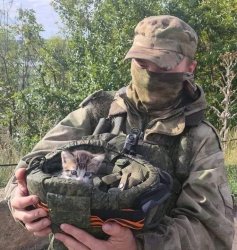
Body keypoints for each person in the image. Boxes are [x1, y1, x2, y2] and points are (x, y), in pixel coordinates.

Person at [5, 15, 234, 250]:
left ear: (190, 67)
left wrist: (138, 246)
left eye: (164, 64)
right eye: (142, 62)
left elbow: (211, 229)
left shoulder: (198, 138)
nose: (150, 72)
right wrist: (19, 200)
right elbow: (31, 164)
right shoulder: (97, 113)